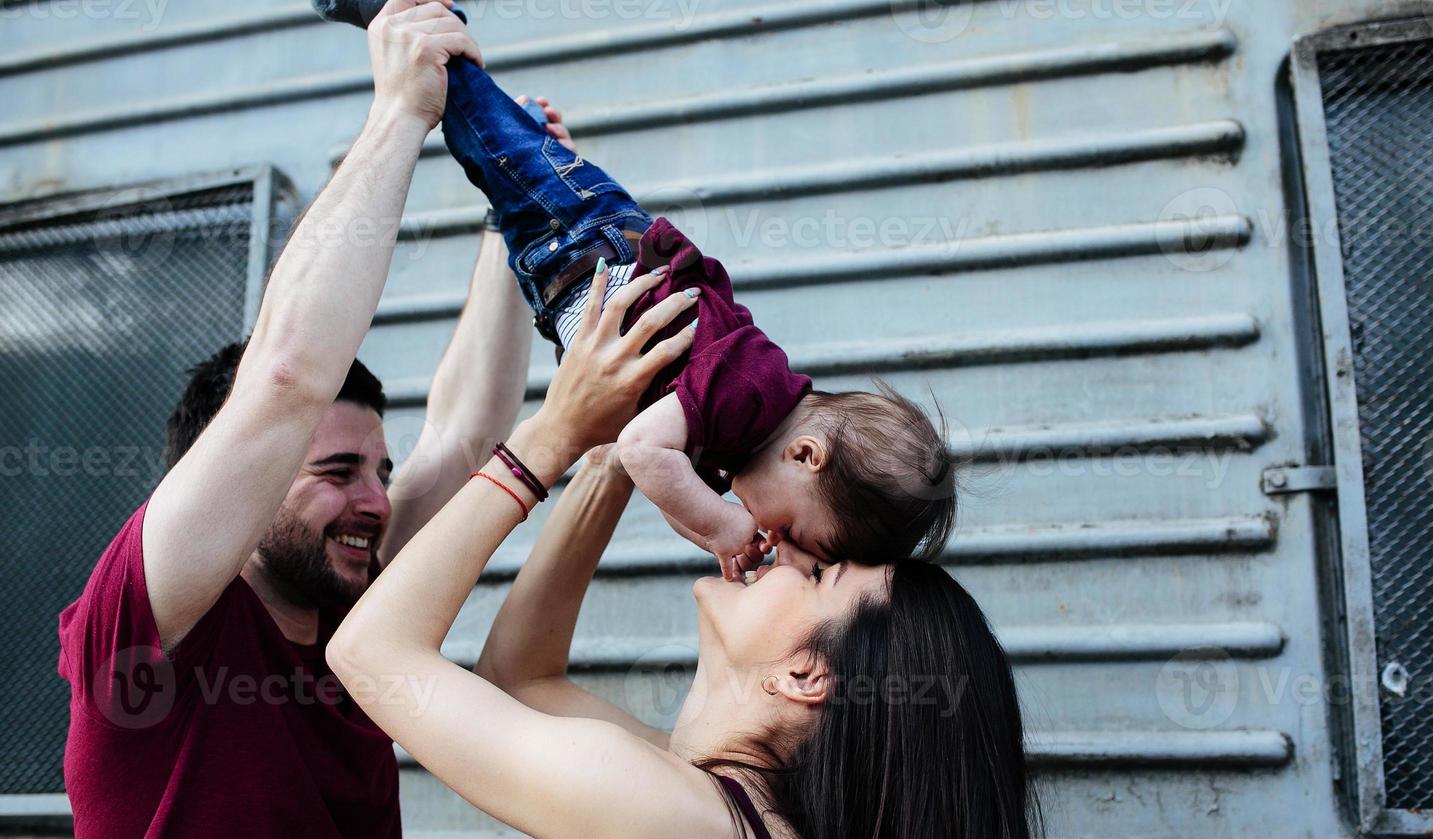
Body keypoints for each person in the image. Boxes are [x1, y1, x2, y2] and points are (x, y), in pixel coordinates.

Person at [53, 4, 645, 839]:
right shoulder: (141, 628)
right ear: (236, 488)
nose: (375, 498)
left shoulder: (353, 618)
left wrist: (514, 205)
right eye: (336, 472)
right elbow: (286, 379)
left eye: (377, 467)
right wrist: (398, 113)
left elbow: (463, 435)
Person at [324, 275, 1047, 839]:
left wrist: (550, 437)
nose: (783, 551)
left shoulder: (682, 824)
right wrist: (619, 449)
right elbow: (521, 678)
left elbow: (370, 654)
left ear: (806, 676)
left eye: (821, 573)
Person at [314, 0, 957, 579]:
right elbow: (641, 453)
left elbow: (657, 473)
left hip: (568, 268)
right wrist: (723, 526)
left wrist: (715, 538)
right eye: (789, 531)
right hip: (592, 241)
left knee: (497, 159)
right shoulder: (748, 396)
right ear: (808, 455)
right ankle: (407, 15)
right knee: (480, 131)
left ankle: (516, 111)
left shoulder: (742, 432)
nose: (769, 535)